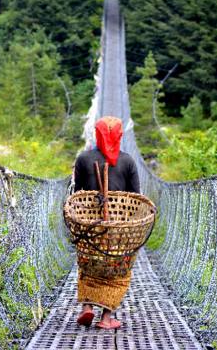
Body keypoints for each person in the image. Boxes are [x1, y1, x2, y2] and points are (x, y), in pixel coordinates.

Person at [74, 116, 140, 330]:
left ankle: (86, 308)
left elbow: (77, 194)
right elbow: (135, 197)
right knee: (116, 270)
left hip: (89, 228)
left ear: (97, 134)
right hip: (118, 231)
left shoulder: (83, 159)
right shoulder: (128, 161)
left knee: (89, 263)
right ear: (119, 135)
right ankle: (106, 318)